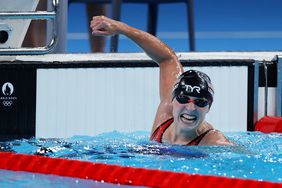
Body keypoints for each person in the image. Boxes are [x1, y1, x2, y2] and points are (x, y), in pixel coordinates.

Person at [90, 16, 234, 146]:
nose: (190, 108)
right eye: (183, 99)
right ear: (172, 100)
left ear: (209, 107)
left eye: (200, 102)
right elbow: (167, 57)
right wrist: (121, 28)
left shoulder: (214, 142)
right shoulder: (165, 116)